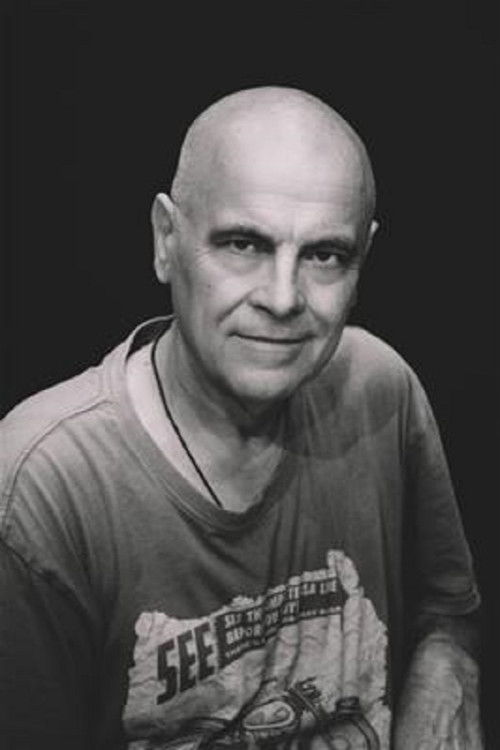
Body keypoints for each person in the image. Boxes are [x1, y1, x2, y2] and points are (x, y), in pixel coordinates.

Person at [0, 86, 482, 749]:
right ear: (166, 240)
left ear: (363, 261)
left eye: (325, 255)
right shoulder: (41, 489)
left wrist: (449, 668)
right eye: (244, 243)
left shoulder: (380, 388)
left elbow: (450, 609)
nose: (283, 298)